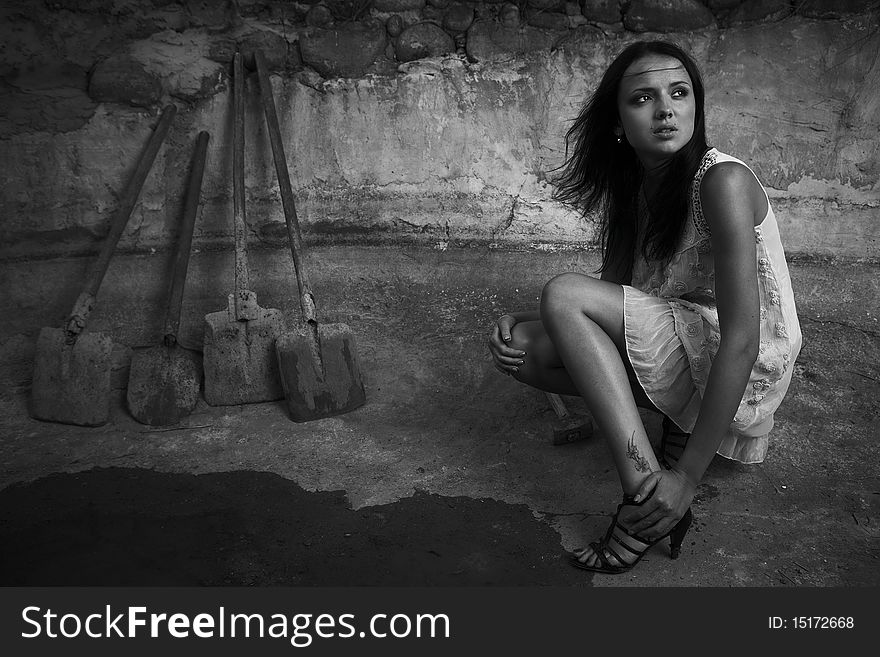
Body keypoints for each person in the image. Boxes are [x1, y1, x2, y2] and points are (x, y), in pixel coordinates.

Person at [487, 40, 802, 574]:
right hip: (683, 336)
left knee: (563, 293)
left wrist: (686, 479)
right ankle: (672, 426)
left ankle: (643, 500)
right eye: (643, 99)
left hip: (743, 362)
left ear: (696, 105)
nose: (666, 111)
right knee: (526, 347)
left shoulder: (721, 181)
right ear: (617, 121)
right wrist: (535, 319)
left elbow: (744, 338)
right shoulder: (634, 184)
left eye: (679, 93)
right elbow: (619, 297)